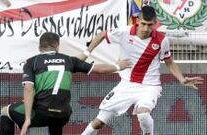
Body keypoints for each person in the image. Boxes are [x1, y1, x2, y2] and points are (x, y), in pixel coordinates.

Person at [81, 6, 204, 135]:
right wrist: (86, 53)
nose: (146, 29)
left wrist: (182, 79)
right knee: (98, 122)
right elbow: (102, 34)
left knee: (143, 114)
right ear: (137, 21)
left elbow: (169, 62)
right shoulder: (124, 32)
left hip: (149, 86)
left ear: (155, 23)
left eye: (150, 25)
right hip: (126, 85)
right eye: (143, 24)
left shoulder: (162, 40)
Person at [0, 32, 132, 135]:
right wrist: (118, 66)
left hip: (42, 112)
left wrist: (27, 118)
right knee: (55, 117)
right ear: (57, 45)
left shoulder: (32, 62)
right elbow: (97, 69)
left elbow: (28, 89)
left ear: (40, 47)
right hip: (64, 114)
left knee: (5, 112)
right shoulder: (68, 60)